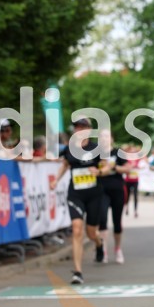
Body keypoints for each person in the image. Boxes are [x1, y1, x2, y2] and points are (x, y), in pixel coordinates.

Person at [51, 118, 107, 284]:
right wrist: (56, 180)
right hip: (75, 193)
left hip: (94, 194)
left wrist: (99, 171)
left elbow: (105, 165)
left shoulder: (97, 148)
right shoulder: (70, 148)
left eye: (82, 126)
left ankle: (98, 243)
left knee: (91, 233)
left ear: (89, 130)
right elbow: (65, 165)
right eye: (76, 127)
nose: (79, 129)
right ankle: (77, 272)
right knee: (77, 229)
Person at [97, 129, 130, 264]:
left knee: (117, 222)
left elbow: (128, 168)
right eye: (102, 137)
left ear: (112, 139)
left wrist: (114, 167)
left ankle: (117, 248)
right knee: (103, 219)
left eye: (107, 136)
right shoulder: (96, 154)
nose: (104, 139)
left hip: (117, 189)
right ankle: (104, 250)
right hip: (101, 190)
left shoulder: (118, 153)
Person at [124, 145, 142, 218]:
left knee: (135, 195)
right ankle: (127, 208)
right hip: (128, 180)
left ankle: (135, 211)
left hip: (135, 180)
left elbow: (143, 162)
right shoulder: (127, 160)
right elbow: (125, 167)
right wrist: (131, 166)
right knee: (127, 196)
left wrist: (138, 167)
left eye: (134, 152)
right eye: (131, 151)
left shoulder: (138, 159)